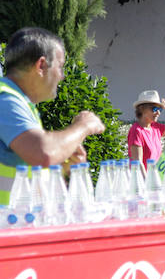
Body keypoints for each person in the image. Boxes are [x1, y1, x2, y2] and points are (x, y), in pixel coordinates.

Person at [0, 27, 105, 204]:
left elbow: (32, 164)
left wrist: (61, 167)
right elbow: (44, 152)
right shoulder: (5, 99)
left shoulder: (20, 102)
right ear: (41, 65)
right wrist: (83, 125)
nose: (62, 76)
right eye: (60, 66)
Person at [127, 90, 165, 171]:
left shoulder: (156, 127)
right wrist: (148, 182)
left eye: (160, 109)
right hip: (143, 181)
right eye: (154, 109)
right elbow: (138, 163)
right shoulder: (136, 130)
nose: (158, 113)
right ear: (142, 109)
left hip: (155, 178)